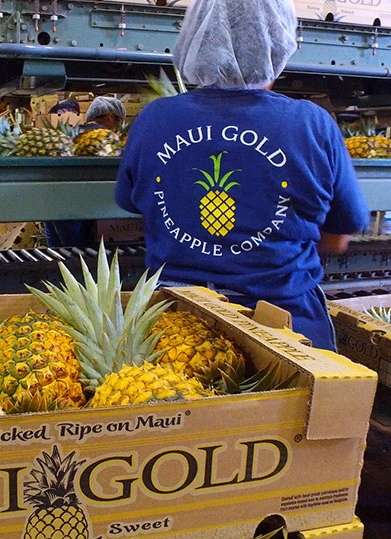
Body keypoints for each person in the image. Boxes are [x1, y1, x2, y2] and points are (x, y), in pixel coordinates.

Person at [114, 0, 369, 351]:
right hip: (287, 331)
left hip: (173, 332)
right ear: (278, 42)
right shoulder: (312, 124)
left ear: (196, 40)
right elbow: (338, 239)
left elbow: (142, 207)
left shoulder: (153, 119)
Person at [44, 96, 127, 248]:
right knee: (78, 258)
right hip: (76, 210)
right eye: (118, 122)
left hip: (50, 204)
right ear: (110, 117)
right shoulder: (106, 139)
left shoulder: (71, 133)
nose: (117, 128)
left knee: (56, 257)